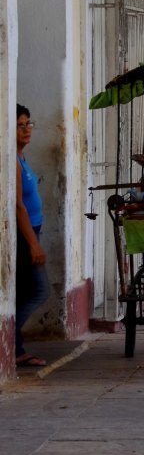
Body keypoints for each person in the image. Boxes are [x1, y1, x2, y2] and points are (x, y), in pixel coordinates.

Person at [15, 104, 51, 367]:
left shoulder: (22, 157)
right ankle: (11, 342)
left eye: (29, 124)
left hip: (32, 231)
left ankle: (16, 348)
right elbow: (18, 206)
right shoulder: (13, 162)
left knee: (27, 290)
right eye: (20, 125)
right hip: (24, 235)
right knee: (39, 290)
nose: (27, 130)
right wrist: (33, 244)